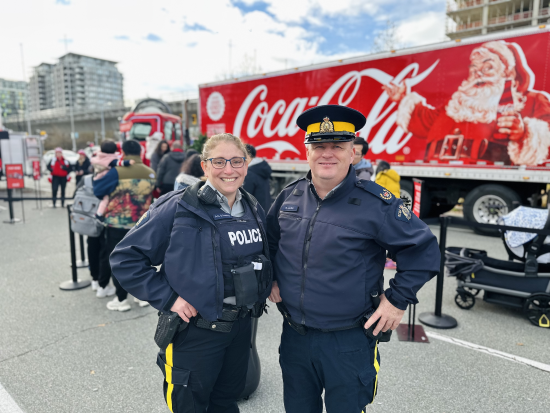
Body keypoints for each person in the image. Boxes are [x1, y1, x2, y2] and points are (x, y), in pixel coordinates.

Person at [267, 104, 440, 413]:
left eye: (338, 145)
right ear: (307, 151)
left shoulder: (377, 203)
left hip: (349, 342)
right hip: (295, 337)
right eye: (319, 145)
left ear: (353, 152)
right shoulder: (289, 197)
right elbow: (269, 242)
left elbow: (424, 250)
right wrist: (271, 277)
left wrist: (397, 299)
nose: (327, 153)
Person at [110, 133, 272, 413]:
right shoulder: (179, 206)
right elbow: (126, 259)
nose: (229, 170)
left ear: (247, 164)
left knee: (226, 401)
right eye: (219, 161)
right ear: (205, 166)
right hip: (195, 332)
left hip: (240, 329)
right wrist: (169, 298)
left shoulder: (253, 207)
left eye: (237, 160)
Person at [386, 40, 550, 166]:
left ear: (508, 72)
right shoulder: (456, 105)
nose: (479, 73)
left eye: (488, 67)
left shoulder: (532, 101)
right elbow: (425, 121)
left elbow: (546, 140)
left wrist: (524, 133)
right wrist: (402, 99)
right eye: (474, 68)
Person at [93, 139, 156, 311]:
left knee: (119, 261)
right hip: (142, 224)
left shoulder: (116, 172)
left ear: (125, 153)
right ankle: (141, 296)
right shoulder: (150, 172)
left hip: (117, 224)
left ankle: (121, 300)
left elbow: (98, 190)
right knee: (141, 260)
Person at [90, 140, 135, 224]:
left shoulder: (99, 156)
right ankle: (99, 214)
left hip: (98, 178)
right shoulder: (110, 159)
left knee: (103, 199)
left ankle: (99, 212)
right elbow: (119, 163)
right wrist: (128, 162)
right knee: (105, 199)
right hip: (105, 179)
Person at [243, 143, 273, 212]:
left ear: (248, 156)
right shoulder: (260, 169)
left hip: (254, 216)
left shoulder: (249, 174)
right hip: (263, 212)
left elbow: (245, 200)